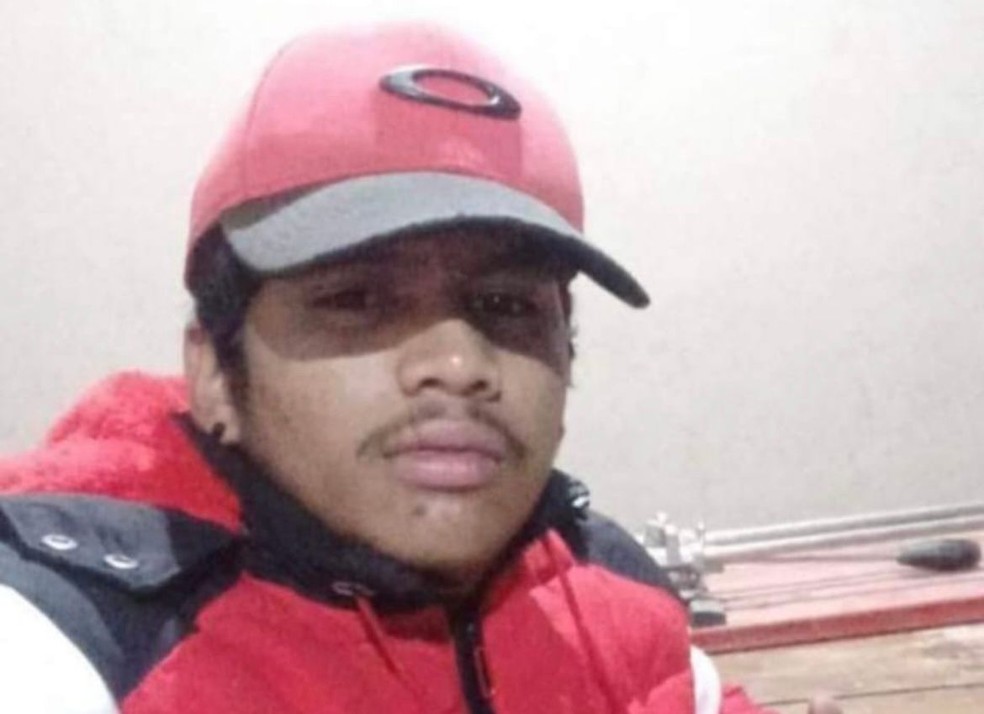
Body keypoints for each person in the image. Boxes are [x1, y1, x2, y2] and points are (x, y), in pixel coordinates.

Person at [0, 23, 840, 714]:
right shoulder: (69, 646)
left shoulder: (615, 600)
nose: (460, 363)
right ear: (216, 371)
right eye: (356, 299)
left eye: (507, 305)